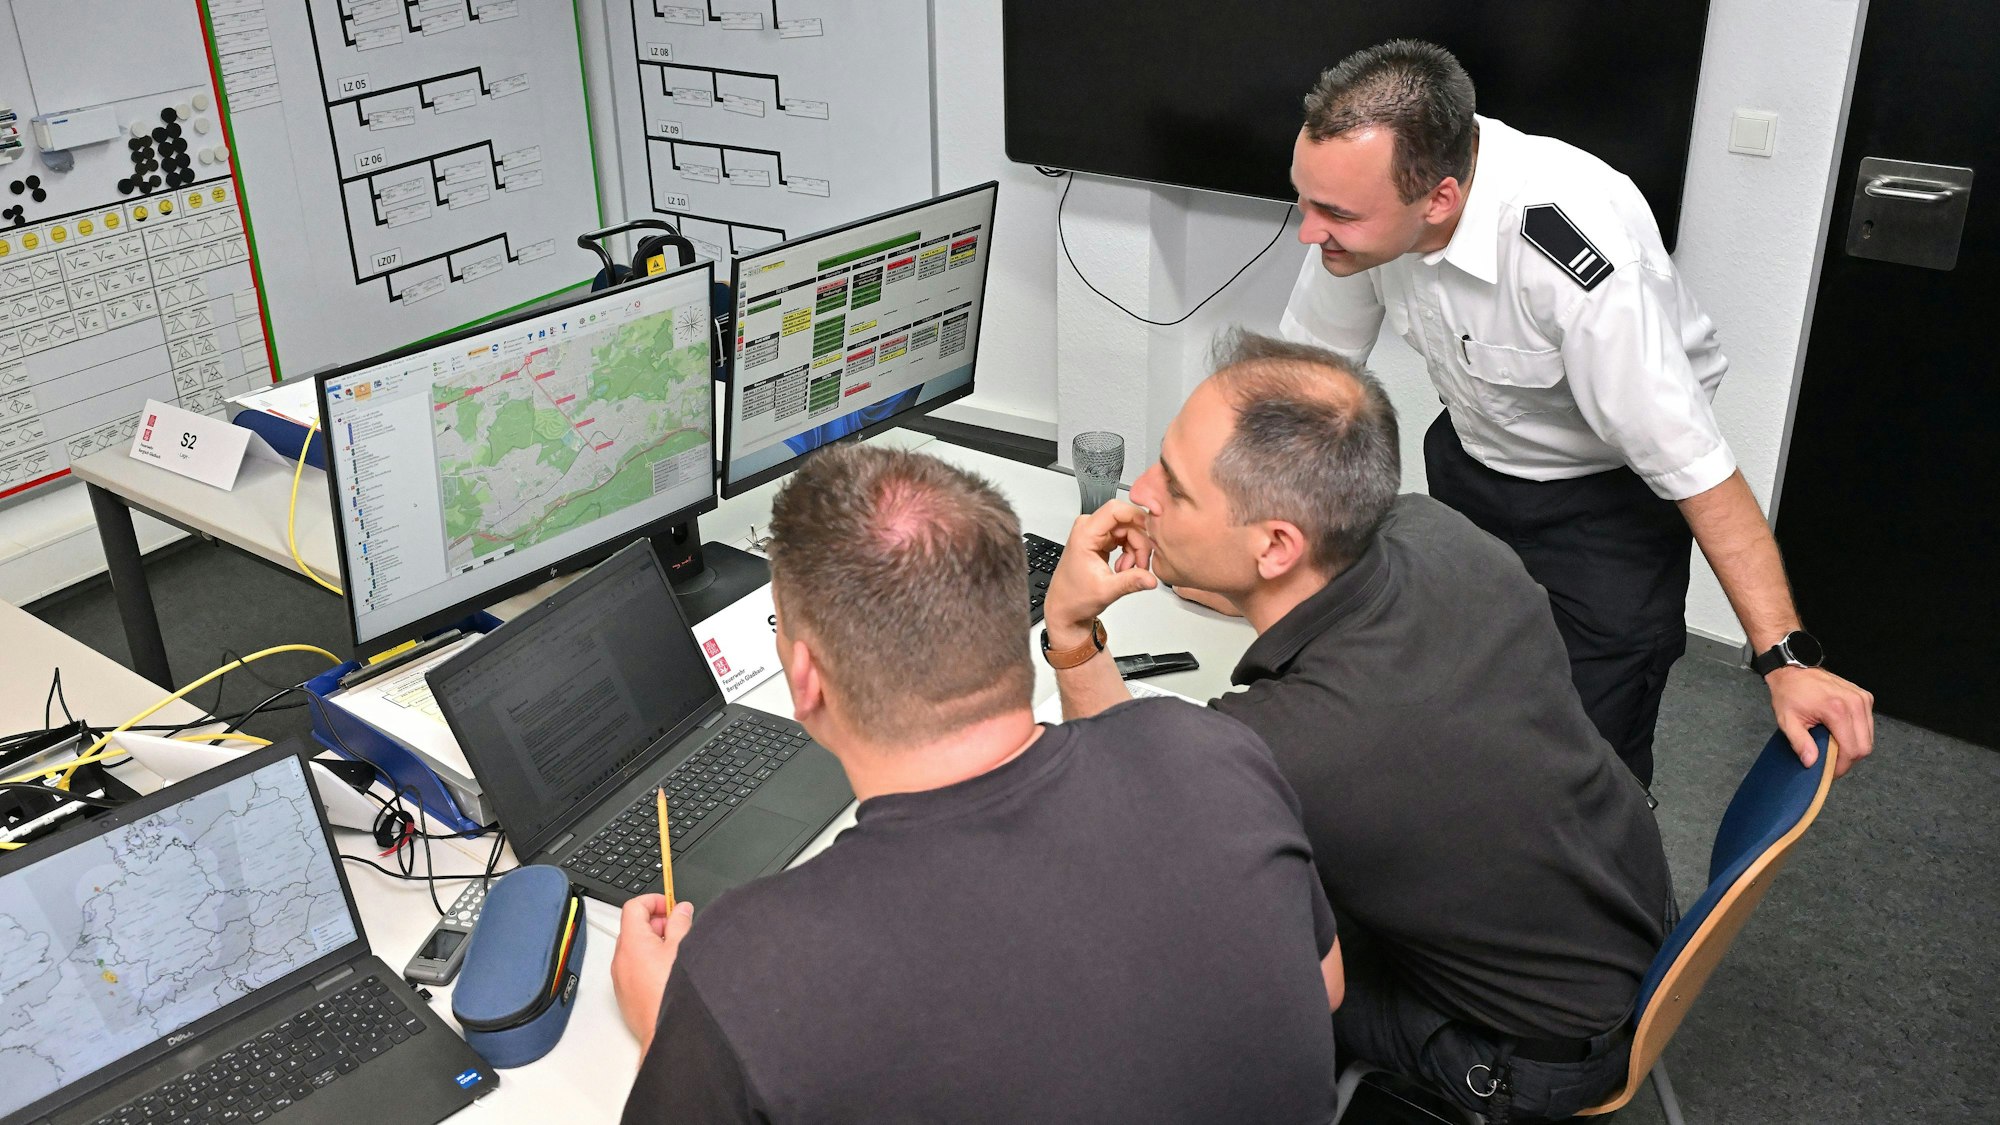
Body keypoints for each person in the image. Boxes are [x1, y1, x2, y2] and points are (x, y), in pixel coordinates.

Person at [1044, 328, 1673, 1123]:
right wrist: (1198, 562)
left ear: (1276, 544)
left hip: (1529, 1052)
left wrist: (1070, 631)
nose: (1139, 491)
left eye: (1174, 485)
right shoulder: (1439, 533)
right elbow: (1285, 596)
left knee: (1163, 961)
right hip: (1626, 918)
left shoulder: (1290, 744)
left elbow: (1122, 808)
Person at [610, 444, 1344, 1124]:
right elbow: (1325, 987)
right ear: (1002, 618)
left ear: (805, 679)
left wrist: (665, 1023)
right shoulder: (1213, 749)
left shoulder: (747, 969)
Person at [1266, 38, 1872, 786]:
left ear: (1440, 199)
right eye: (1305, 198)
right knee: (1458, 701)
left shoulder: (1566, 246)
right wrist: (1224, 528)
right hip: (1474, 462)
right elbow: (1301, 384)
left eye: (1334, 213)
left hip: (1606, 506)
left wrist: (1784, 658)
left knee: (1586, 761)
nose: (1309, 230)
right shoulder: (1364, 208)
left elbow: (1693, 465)